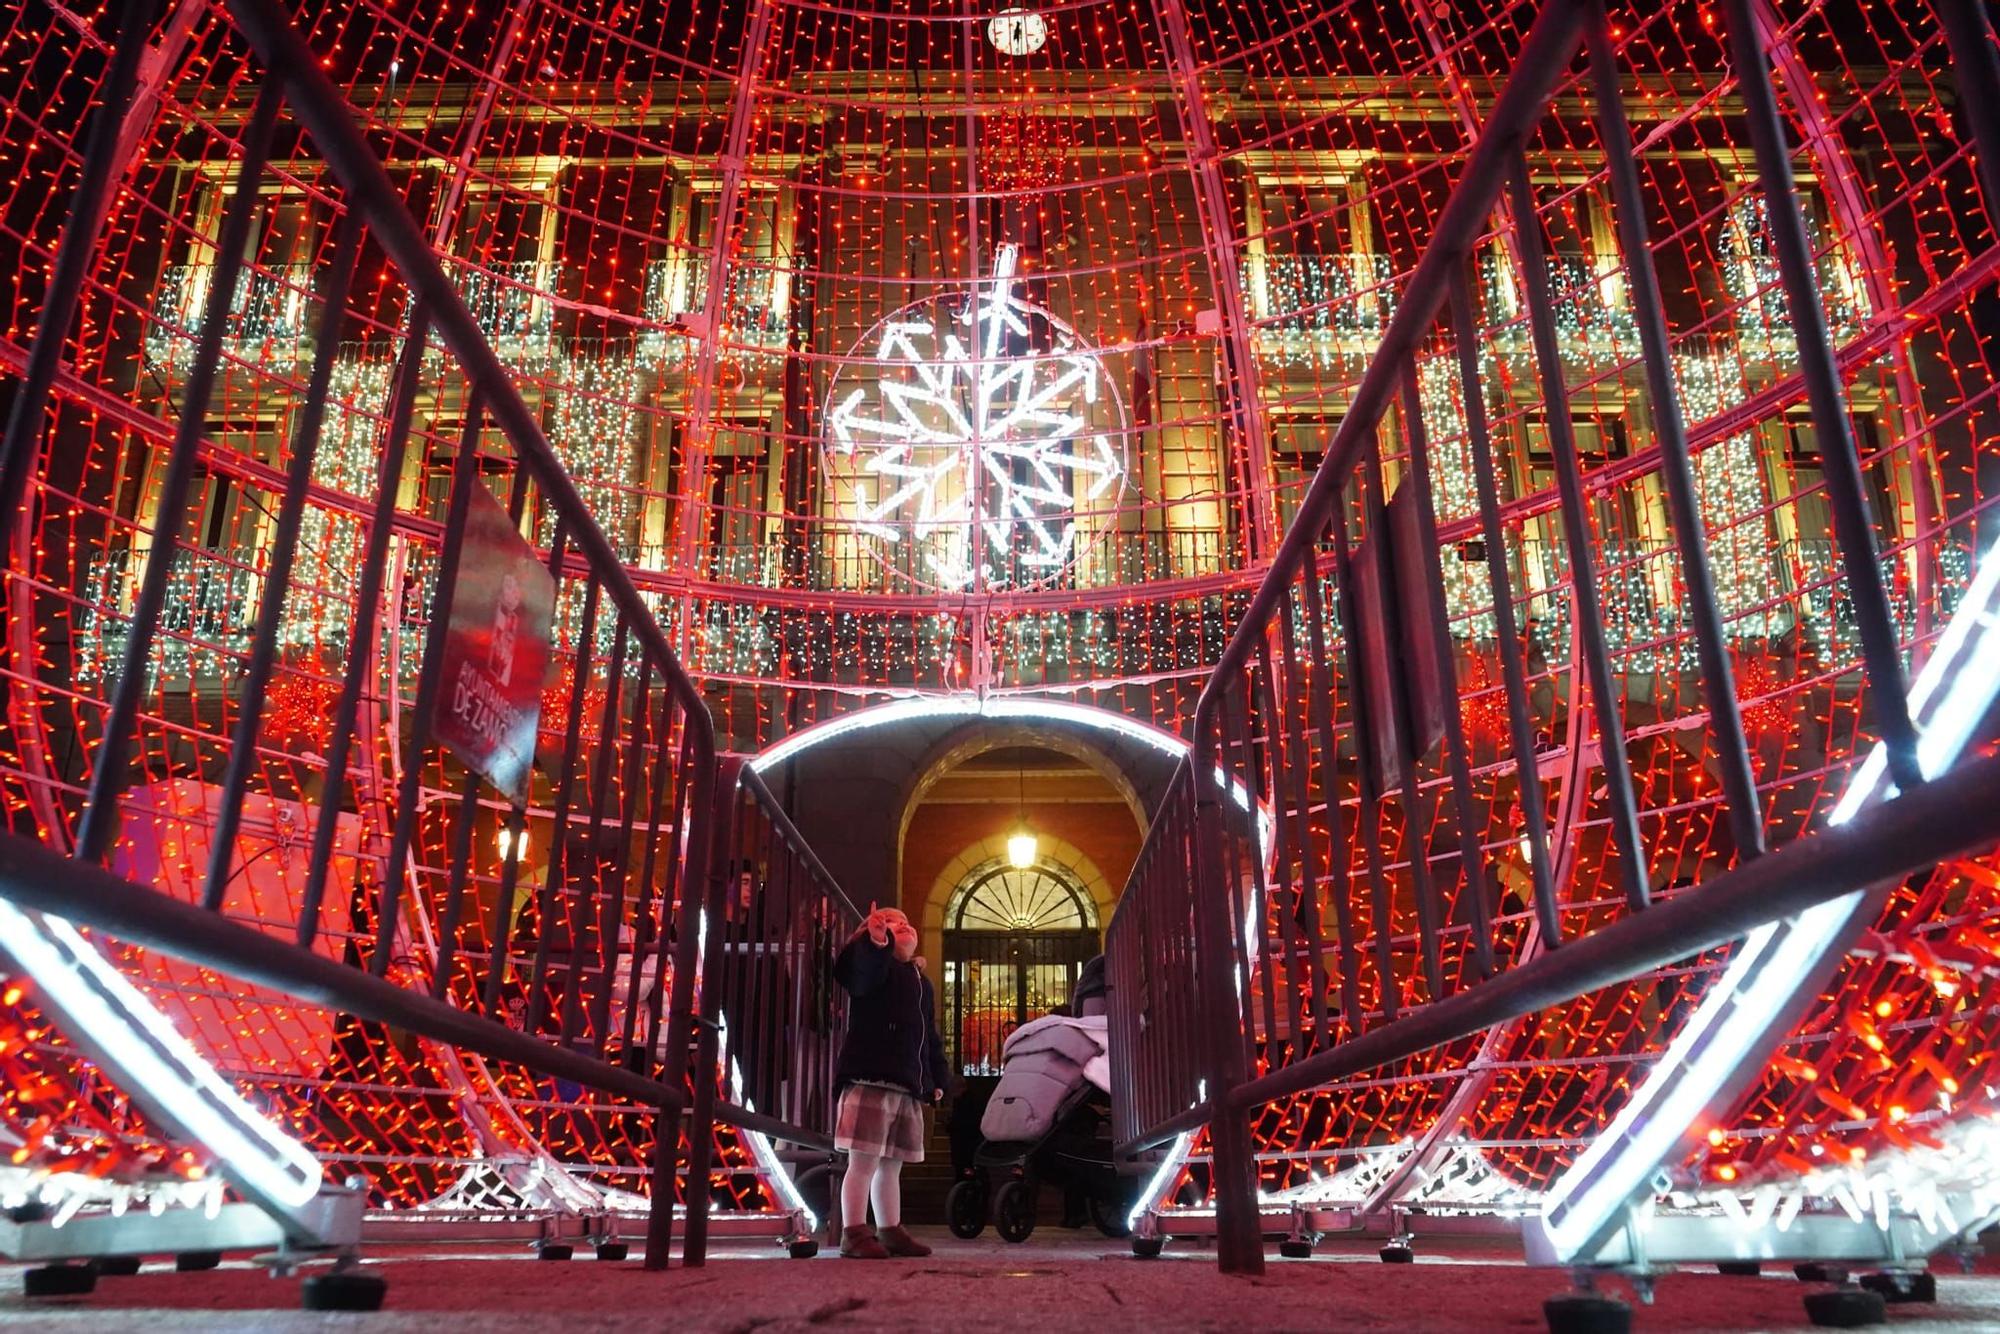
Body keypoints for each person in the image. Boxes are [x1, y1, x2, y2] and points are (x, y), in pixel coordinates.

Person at [831, 905, 947, 1260]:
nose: (905, 925)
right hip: (872, 1076)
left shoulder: (918, 981)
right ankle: (853, 1230)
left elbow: (928, 1034)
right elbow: (859, 973)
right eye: (895, 921)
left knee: (892, 1164)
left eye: (907, 921)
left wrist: (935, 1077)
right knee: (863, 1161)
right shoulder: (876, 967)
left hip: (905, 1082)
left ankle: (889, 1228)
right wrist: (875, 942)